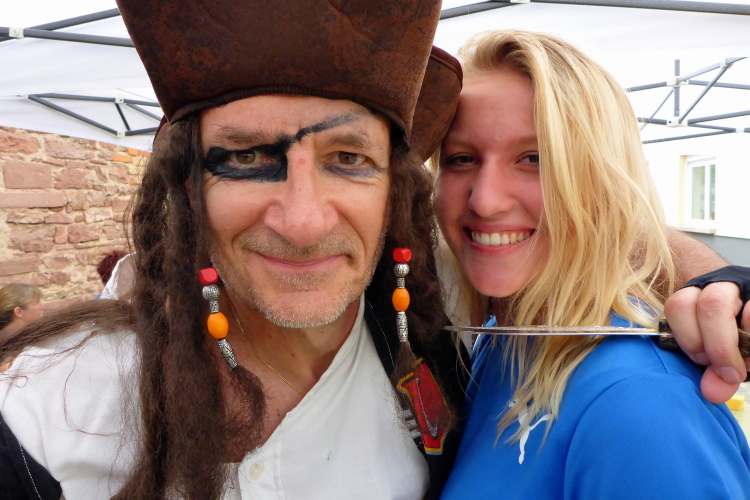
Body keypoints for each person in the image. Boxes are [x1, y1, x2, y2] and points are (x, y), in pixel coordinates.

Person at [0, 2, 745, 498]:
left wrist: (726, 284)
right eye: (247, 157)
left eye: (348, 159)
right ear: (187, 186)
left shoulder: (431, 327)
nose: (301, 221)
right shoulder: (44, 410)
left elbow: (603, 220)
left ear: (395, 193)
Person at [433, 30, 750, 499]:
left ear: (602, 180)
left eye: (535, 159)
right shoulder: (503, 341)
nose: (485, 200)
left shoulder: (641, 404)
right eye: (461, 159)